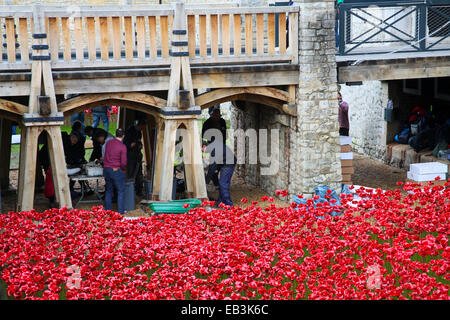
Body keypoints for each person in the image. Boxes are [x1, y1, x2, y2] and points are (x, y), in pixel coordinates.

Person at [203, 140, 236, 207]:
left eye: (202, 150)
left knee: (223, 184)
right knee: (221, 183)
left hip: (229, 163)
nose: (202, 152)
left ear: (204, 146)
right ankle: (220, 203)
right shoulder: (213, 146)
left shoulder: (213, 149)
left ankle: (229, 204)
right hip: (225, 162)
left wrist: (206, 181)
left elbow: (212, 167)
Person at [103, 128, 127, 215]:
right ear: (123, 136)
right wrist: (123, 170)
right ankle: (120, 212)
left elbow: (105, 154)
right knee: (120, 191)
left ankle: (108, 211)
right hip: (116, 169)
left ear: (116, 134)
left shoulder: (109, 143)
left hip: (106, 169)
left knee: (109, 190)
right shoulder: (122, 146)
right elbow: (123, 162)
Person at [123, 119, 146, 196]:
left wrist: (139, 145)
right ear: (139, 125)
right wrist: (131, 145)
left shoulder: (139, 132)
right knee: (131, 173)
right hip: (130, 155)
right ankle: (130, 190)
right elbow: (126, 144)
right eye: (142, 127)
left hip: (137, 154)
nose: (142, 129)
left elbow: (138, 142)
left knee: (139, 173)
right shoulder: (130, 132)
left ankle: (138, 190)